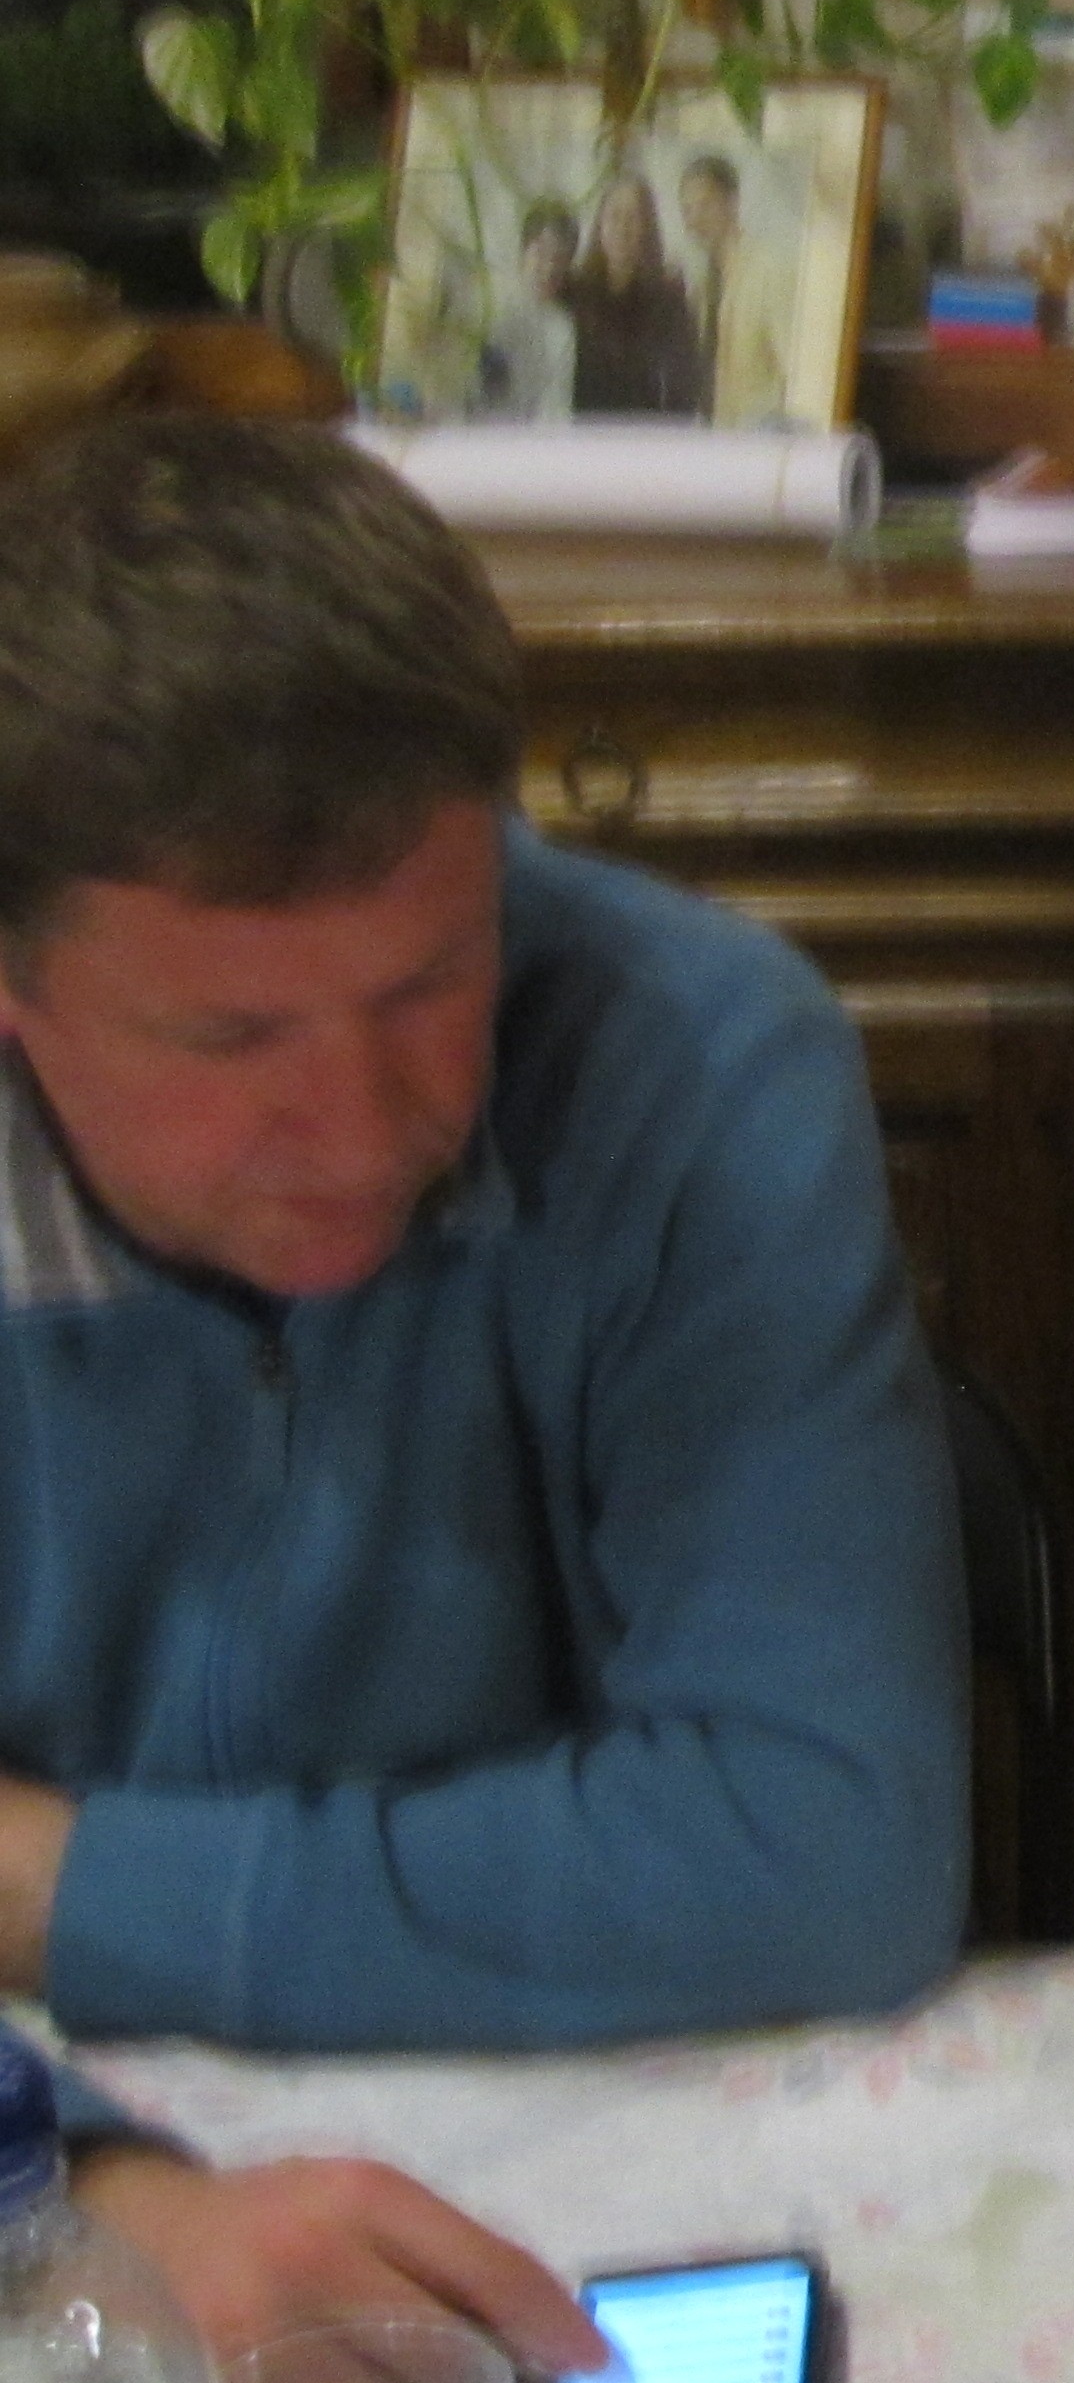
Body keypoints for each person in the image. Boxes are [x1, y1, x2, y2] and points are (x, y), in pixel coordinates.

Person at [0, 418, 969, 2359]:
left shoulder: (698, 1057)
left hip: (601, 2187)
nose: (363, 1126)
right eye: (230, 1037)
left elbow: (827, 1851)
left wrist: (49, 1881)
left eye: (430, 984)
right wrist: (82, 2197)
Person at [567, 170, 704, 416]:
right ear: (599, 224)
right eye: (614, 216)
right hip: (580, 431)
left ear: (647, 228)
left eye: (633, 218)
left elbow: (684, 386)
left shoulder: (668, 298)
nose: (622, 228)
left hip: (643, 432)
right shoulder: (573, 292)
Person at [682, 154, 797, 427]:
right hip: (713, 438)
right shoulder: (700, 288)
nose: (695, 219)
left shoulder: (770, 271)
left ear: (732, 203)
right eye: (687, 210)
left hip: (761, 440)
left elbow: (795, 373)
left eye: (705, 205)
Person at [479, 199, 580, 423]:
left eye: (559, 259)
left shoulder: (562, 329)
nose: (549, 267)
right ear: (523, 252)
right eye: (541, 253)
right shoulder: (491, 310)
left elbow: (557, 408)